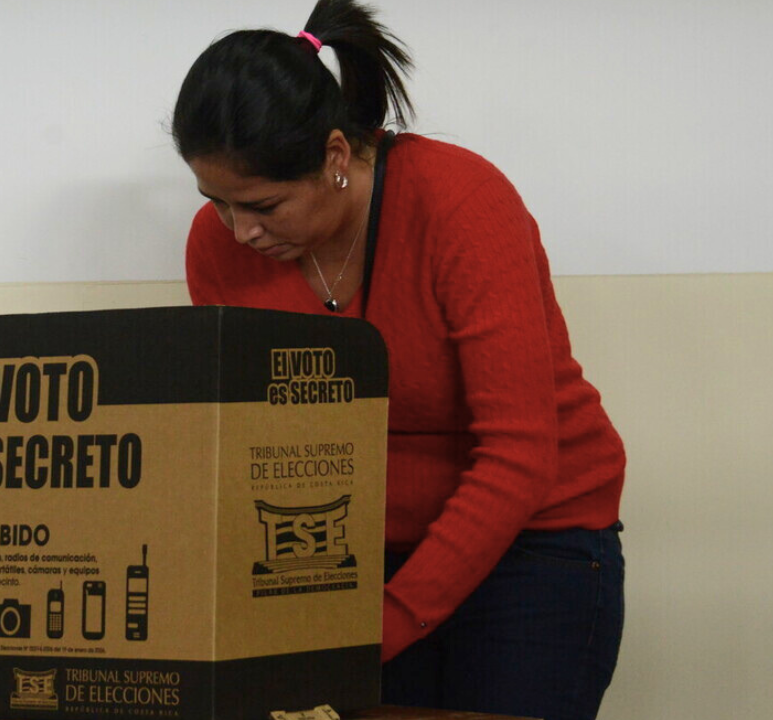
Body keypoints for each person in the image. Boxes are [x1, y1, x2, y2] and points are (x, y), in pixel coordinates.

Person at [171, 2, 626, 718]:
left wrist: (384, 624)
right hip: (354, 550)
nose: (240, 231)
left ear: (334, 157)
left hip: (535, 540)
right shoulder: (216, 245)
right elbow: (257, 448)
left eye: (264, 205)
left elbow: (519, 453)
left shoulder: (460, 202)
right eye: (217, 201)